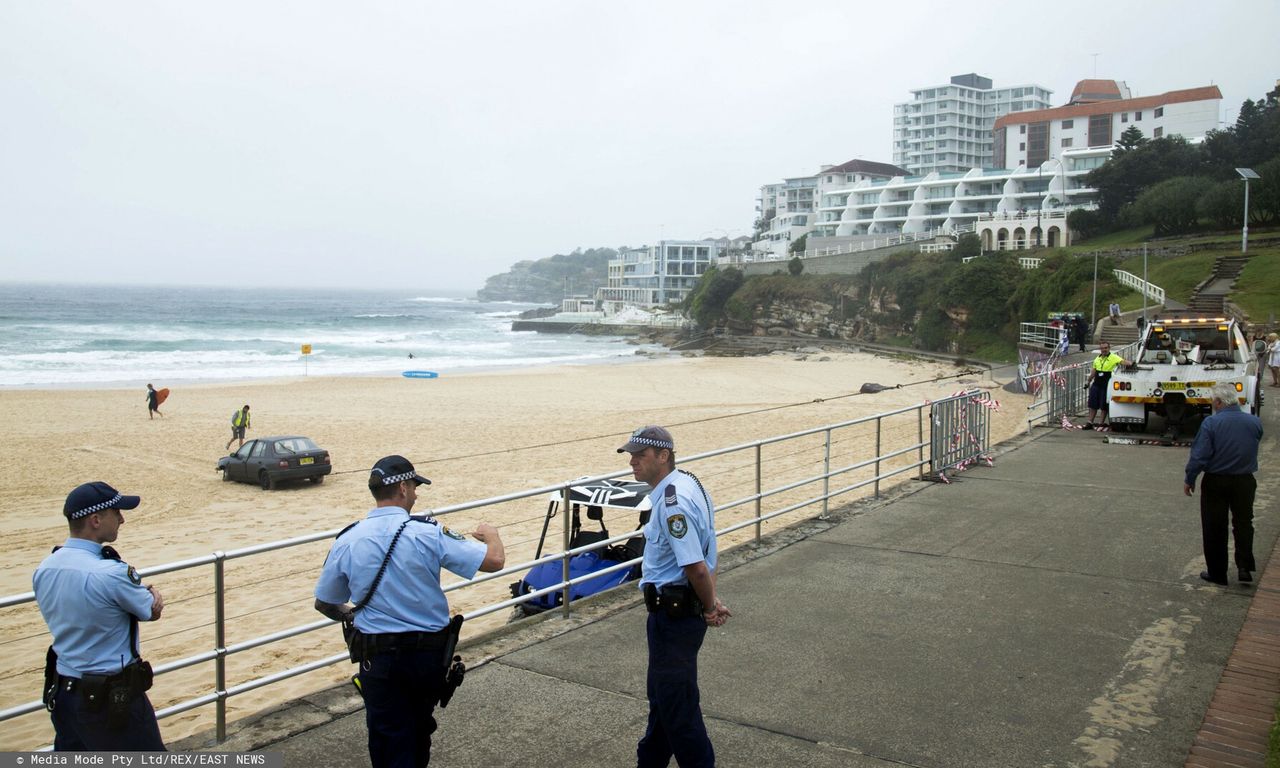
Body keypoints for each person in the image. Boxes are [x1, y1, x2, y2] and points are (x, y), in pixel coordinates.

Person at [314, 455, 505, 768]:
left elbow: (325, 602)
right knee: (417, 730)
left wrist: (352, 615)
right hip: (425, 658)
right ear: (402, 487)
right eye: (415, 487)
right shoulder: (427, 532)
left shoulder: (348, 539)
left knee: (385, 733)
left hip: (377, 658)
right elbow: (494, 562)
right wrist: (492, 534)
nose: (416, 494)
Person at [618, 426, 731, 768]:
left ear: (663, 456)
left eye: (640, 455)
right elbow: (710, 547)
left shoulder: (672, 502)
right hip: (680, 614)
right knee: (663, 702)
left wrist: (710, 606)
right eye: (631, 455)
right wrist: (708, 602)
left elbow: (696, 565)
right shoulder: (689, 483)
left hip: (674, 619)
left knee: (679, 713)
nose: (633, 462)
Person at [33, 482, 166, 751]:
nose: (121, 519)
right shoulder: (111, 573)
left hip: (65, 692)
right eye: (116, 513)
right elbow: (149, 611)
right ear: (95, 520)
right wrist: (152, 594)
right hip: (111, 698)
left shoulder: (45, 568)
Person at [1184, 383, 1264, 586]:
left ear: (1219, 402)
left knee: (1215, 526)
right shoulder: (1254, 422)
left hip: (1217, 480)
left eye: (1213, 402)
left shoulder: (1211, 423)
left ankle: (1218, 572)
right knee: (1244, 523)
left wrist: (1190, 478)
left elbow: (1200, 455)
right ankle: (1244, 566)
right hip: (1245, 480)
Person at [1082, 342, 1131, 429]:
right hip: (1096, 383)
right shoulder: (1097, 358)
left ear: (1109, 348)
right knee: (1092, 404)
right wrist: (1088, 381)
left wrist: (1132, 364)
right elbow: (1094, 371)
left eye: (1105, 348)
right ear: (1100, 349)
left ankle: (1101, 423)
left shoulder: (1113, 357)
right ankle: (1090, 422)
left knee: (1104, 405)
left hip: (1106, 385)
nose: (1104, 350)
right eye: (1102, 348)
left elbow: (1123, 361)